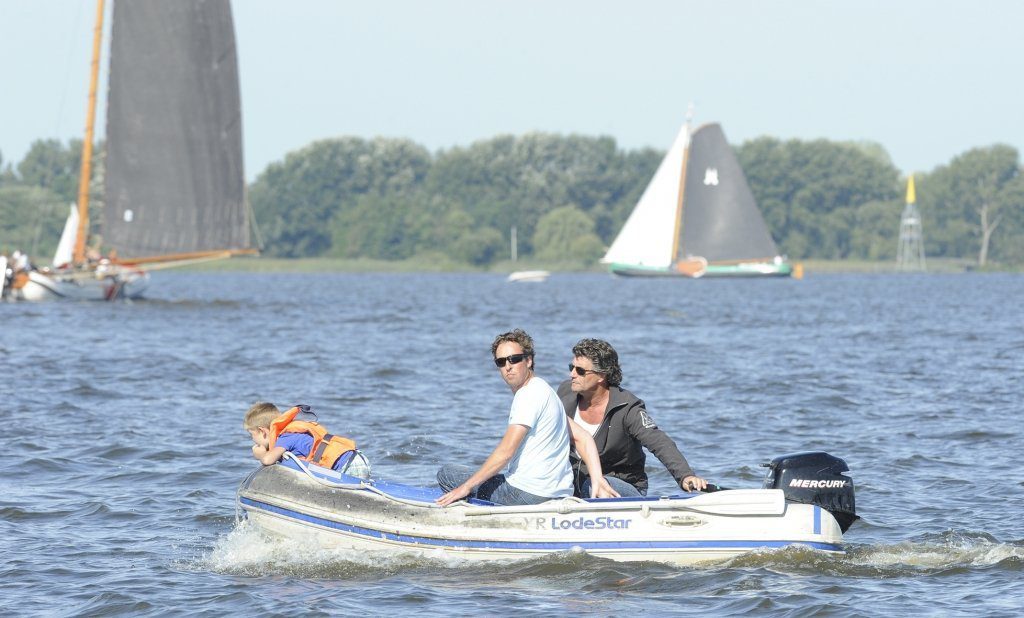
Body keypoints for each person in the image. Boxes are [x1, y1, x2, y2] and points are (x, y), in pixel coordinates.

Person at [436, 329, 618, 507]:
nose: (508, 366)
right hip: (559, 493)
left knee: (448, 473)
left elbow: (505, 452)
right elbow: (583, 437)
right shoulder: (546, 391)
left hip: (527, 494)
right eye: (501, 362)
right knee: (480, 478)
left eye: (514, 359)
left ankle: (474, 517)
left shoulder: (527, 395)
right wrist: (597, 479)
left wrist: (466, 487)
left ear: (528, 360)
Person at [558, 338, 707, 497]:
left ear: (601, 376)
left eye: (580, 371)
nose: (572, 374)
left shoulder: (628, 408)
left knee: (593, 486)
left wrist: (685, 475)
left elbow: (658, 442)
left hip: (621, 485)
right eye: (571, 367)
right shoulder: (565, 393)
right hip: (573, 482)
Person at [243, 402, 370, 479]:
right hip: (354, 459)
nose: (253, 441)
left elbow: (268, 460)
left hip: (346, 465)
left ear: (263, 431)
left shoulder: (285, 437)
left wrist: (261, 455)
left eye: (252, 435)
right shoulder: (291, 432)